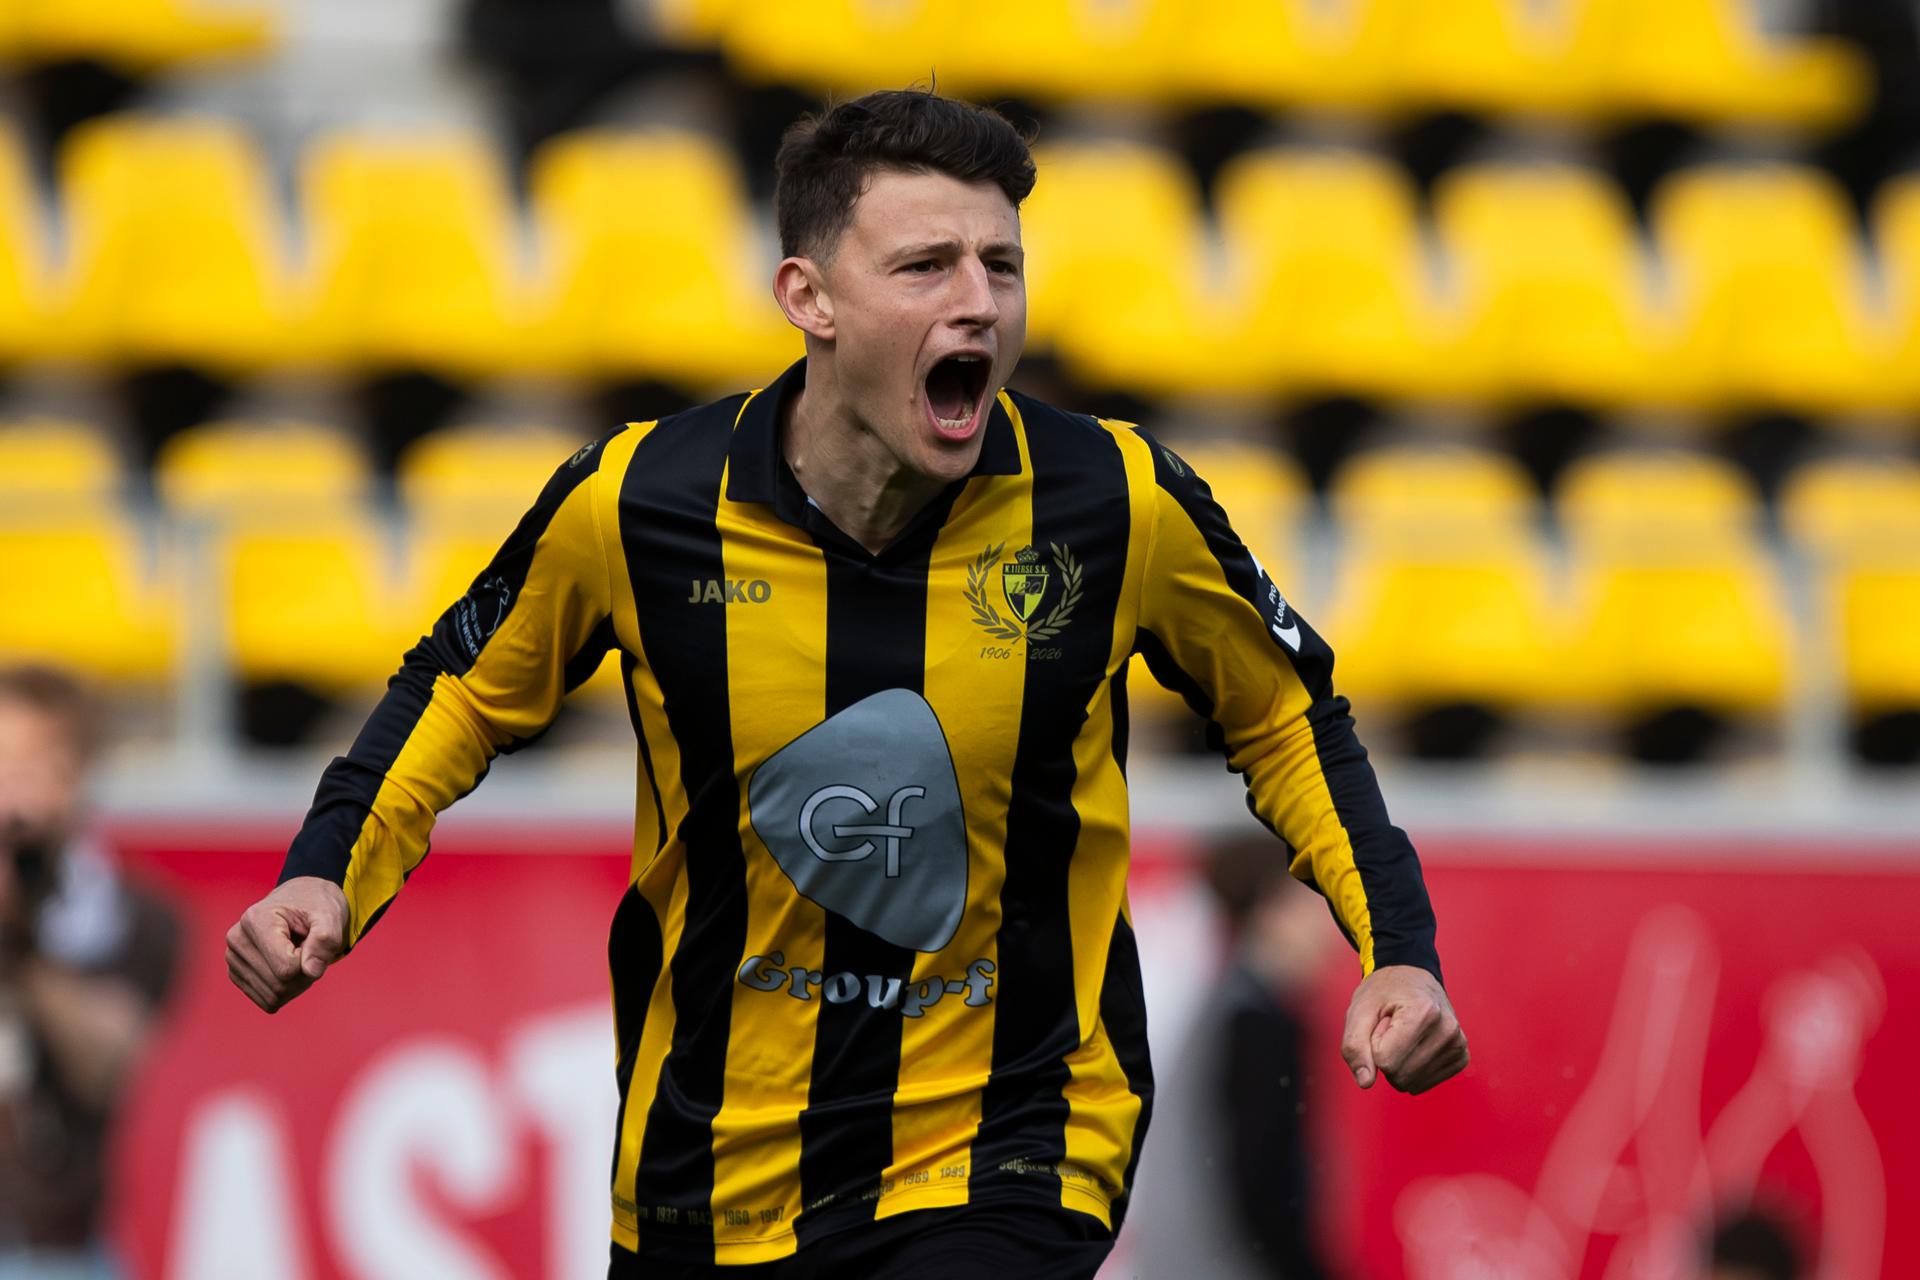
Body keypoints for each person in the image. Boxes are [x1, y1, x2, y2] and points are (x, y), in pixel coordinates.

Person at [225, 89, 1469, 1278]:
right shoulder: (642, 503)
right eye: (927, 266)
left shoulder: (1113, 501)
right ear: (807, 297)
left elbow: (1287, 711)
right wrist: (330, 866)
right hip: (707, 1159)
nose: (978, 303)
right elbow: (460, 688)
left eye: (1001, 265)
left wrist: (1397, 945)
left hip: (1013, 1136)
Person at [0, 666, 181, 1278]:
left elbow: (107, 1065)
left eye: (27, 768)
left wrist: (20, 943)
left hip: (60, 1253)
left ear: (77, 777)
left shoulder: (137, 916)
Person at [1131, 835, 1341, 1279]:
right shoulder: (1256, 1021)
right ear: (1269, 913)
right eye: (1313, 904)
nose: (1329, 928)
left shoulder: (1227, 1005)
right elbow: (1263, 1186)